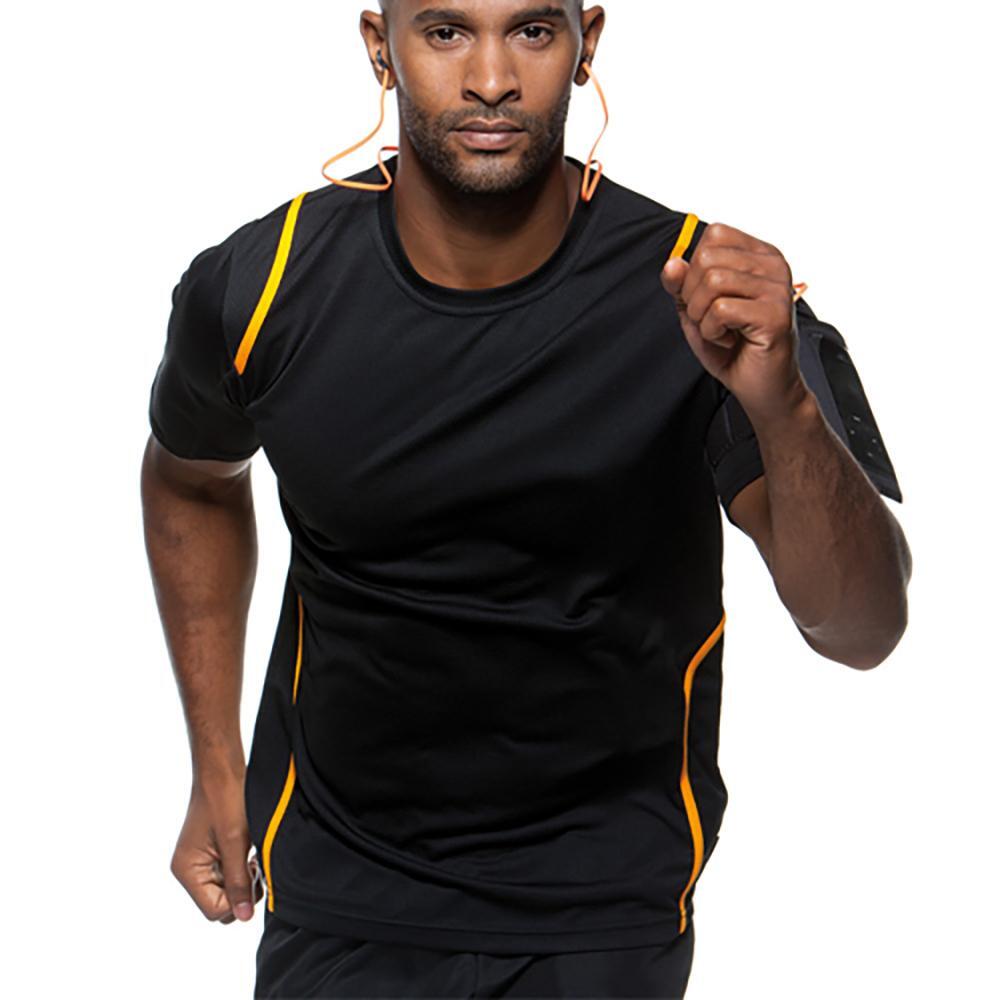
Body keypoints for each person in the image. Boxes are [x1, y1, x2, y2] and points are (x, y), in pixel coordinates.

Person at [140, 1, 913, 996]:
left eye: (533, 32)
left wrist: (786, 406)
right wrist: (215, 764)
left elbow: (862, 626)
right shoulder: (261, 285)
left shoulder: (705, 298)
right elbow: (192, 479)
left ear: (587, 44)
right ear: (380, 48)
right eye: (446, 32)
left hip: (601, 910)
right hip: (340, 893)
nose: (492, 80)